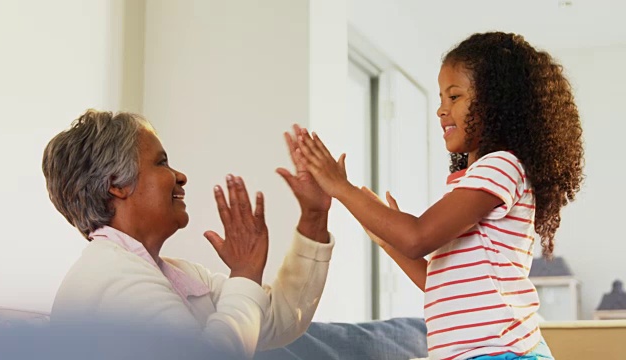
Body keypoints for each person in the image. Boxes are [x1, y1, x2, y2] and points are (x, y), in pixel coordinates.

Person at [295, 31, 584, 359]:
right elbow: (440, 282)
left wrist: (342, 189)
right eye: (441, 98)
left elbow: (417, 237)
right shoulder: (475, 180)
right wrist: (388, 238)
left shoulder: (501, 166)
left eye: (455, 97)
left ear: (495, 102)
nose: (441, 110)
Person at [42, 111, 334, 359]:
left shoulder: (175, 274)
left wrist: (314, 216)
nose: (180, 176)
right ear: (116, 184)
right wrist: (244, 273)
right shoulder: (109, 275)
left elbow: (276, 320)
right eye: (161, 162)